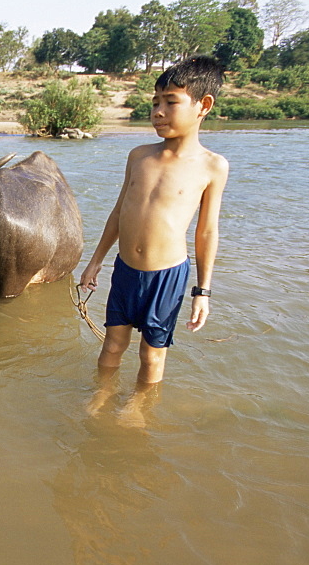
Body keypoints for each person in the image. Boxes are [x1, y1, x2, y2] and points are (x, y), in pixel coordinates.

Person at [78, 56, 229, 423]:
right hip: (126, 269)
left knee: (152, 353)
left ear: (203, 106)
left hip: (167, 275)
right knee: (112, 345)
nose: (158, 112)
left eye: (171, 102)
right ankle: (103, 392)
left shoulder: (212, 166)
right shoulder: (139, 156)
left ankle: (138, 406)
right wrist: (96, 260)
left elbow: (207, 230)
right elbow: (119, 212)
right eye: (155, 103)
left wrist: (202, 291)